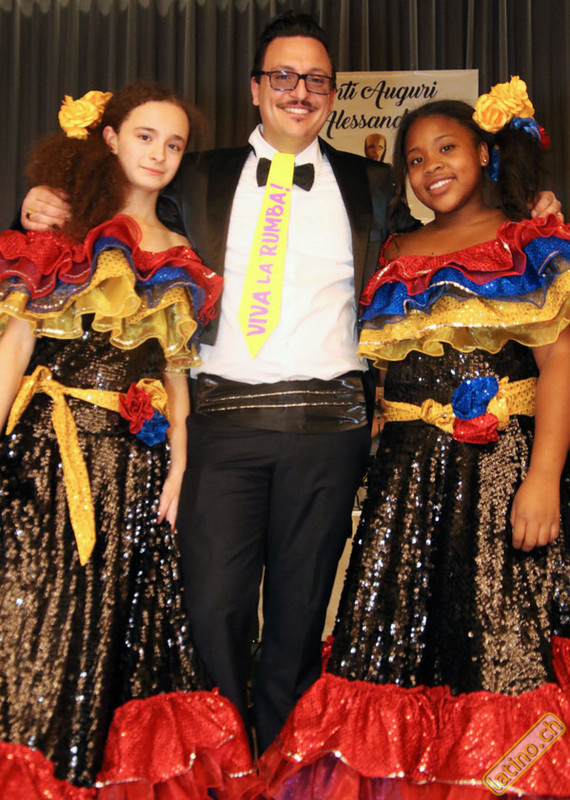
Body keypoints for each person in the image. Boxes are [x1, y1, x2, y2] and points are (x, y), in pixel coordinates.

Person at [18, 15, 563, 757]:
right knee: (210, 610)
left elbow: (463, 230)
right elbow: (114, 225)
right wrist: (44, 201)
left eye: (315, 79)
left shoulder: (374, 184)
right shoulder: (192, 174)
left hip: (329, 429)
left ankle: (281, 762)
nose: (298, 91)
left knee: (300, 620)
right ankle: (223, 759)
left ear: (332, 92)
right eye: (282, 76)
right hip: (219, 424)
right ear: (255, 88)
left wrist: (533, 205)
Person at [260, 82, 570, 799]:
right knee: (389, 641)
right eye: (416, 158)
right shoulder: (394, 250)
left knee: (499, 643)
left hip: (498, 477)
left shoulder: (530, 239)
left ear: (485, 153)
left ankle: (503, 777)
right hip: (405, 481)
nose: (432, 167)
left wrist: (544, 478)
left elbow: (558, 365)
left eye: (447, 148)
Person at [0, 83, 258, 800]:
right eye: (146, 137)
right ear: (110, 138)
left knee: (112, 622)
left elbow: (176, 373)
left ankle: (87, 769)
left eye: (174, 144)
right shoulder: (64, 230)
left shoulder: (180, 253)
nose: (160, 155)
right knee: (31, 612)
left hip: (133, 467)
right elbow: (15, 344)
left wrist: (178, 466)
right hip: (47, 455)